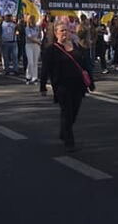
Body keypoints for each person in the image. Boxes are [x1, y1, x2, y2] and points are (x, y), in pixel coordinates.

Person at [40, 21, 95, 152]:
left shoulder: (76, 46)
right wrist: (42, 86)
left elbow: (84, 66)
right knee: (67, 112)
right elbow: (45, 69)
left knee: (74, 112)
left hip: (78, 85)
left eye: (67, 30)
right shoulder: (51, 50)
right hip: (62, 86)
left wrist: (91, 82)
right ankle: (69, 142)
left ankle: (64, 131)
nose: (65, 33)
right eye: (62, 30)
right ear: (55, 33)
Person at [24, 15, 43, 84]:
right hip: (29, 45)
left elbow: (40, 36)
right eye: (31, 19)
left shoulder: (37, 27)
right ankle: (28, 76)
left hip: (36, 46)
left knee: (35, 62)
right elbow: (30, 37)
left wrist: (40, 30)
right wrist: (38, 41)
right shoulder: (27, 28)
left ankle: (35, 77)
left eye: (33, 19)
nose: (32, 20)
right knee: (30, 62)